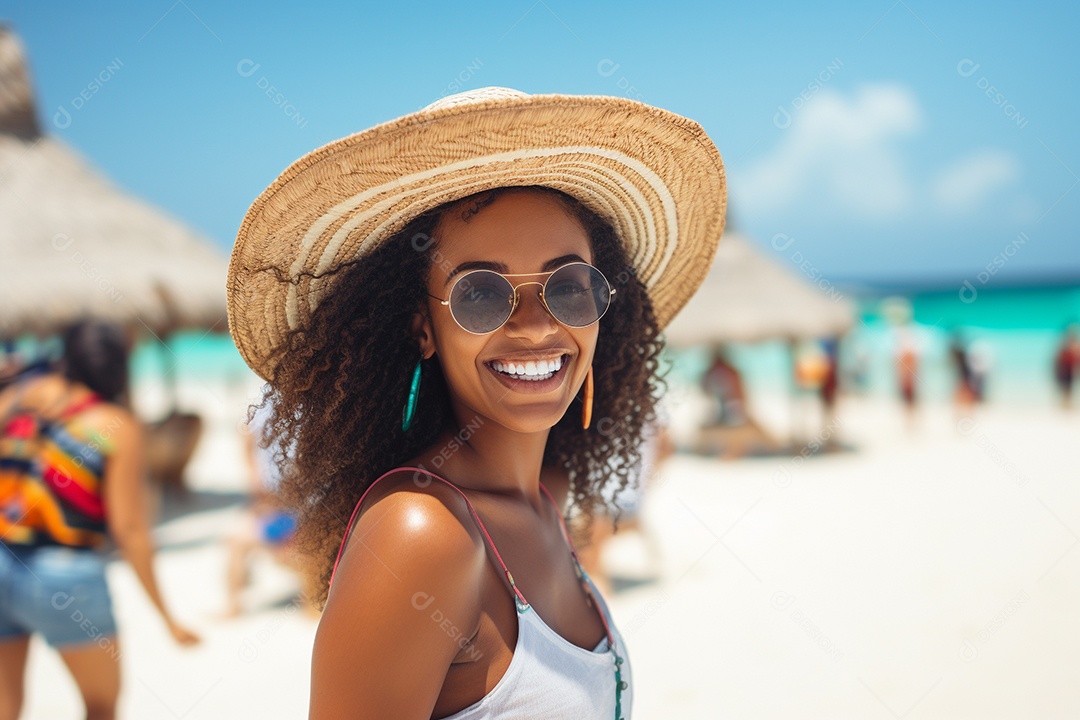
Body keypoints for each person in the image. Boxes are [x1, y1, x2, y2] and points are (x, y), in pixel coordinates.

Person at [226, 86, 726, 718]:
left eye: (568, 287)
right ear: (422, 329)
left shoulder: (547, 498)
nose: (538, 325)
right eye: (482, 295)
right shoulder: (421, 534)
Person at [0, 321, 199, 720]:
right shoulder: (117, 426)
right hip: (65, 575)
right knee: (101, 707)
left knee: (5, 706)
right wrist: (167, 617)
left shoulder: (15, 401)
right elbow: (130, 530)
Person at [1053, 325, 1079, 409]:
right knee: (1066, 387)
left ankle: (1066, 405)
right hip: (1064, 371)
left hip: (1068, 371)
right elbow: (1059, 360)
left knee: (1068, 387)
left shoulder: (1073, 346)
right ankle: (1065, 405)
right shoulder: (1065, 347)